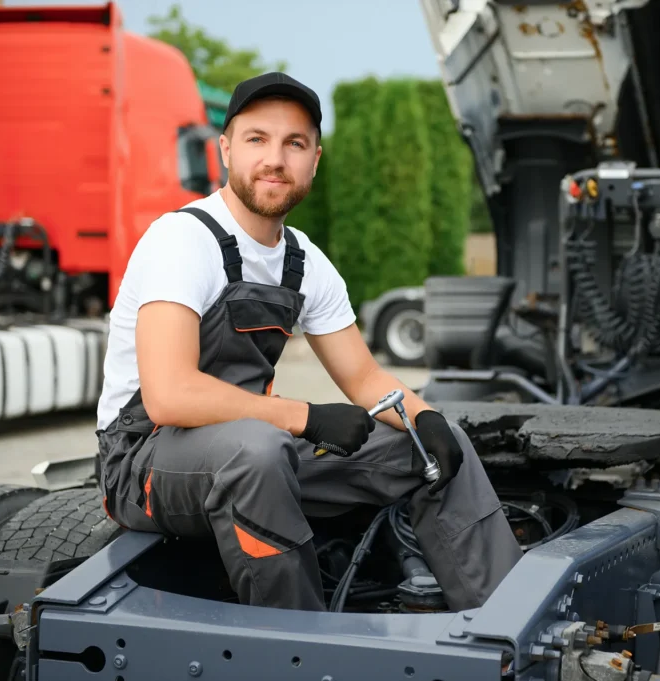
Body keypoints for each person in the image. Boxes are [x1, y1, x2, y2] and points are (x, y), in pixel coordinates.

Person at [94, 72, 523, 612]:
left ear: (314, 159)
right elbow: (170, 395)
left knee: (436, 446)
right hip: (146, 463)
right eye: (257, 139)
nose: (276, 159)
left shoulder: (304, 261)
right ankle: (304, 647)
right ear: (225, 149)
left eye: (294, 143)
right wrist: (306, 417)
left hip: (252, 444)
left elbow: (366, 380)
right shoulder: (181, 241)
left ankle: (506, 625)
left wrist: (427, 419)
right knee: (258, 450)